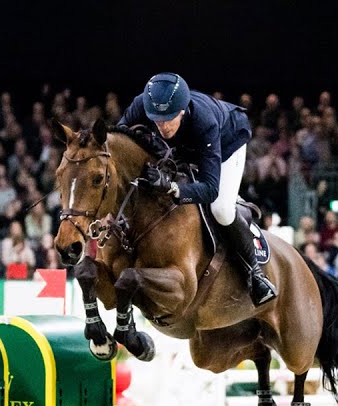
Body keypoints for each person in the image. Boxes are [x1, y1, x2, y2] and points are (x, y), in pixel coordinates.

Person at [119, 72, 277, 306]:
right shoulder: (142, 106)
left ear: (181, 111)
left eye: (169, 119)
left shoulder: (204, 122)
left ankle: (255, 273)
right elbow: (118, 139)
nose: (162, 126)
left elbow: (210, 188)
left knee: (221, 208)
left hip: (227, 142)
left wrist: (172, 187)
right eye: (156, 119)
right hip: (184, 148)